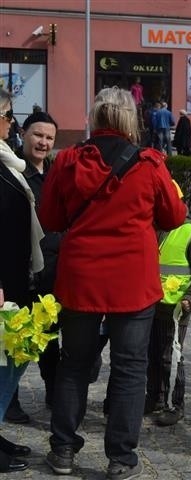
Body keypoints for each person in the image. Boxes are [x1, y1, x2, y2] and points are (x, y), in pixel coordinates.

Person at [39, 87, 187, 478]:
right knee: (129, 369)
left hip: (80, 277)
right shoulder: (149, 163)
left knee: (74, 365)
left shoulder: (68, 160)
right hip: (132, 281)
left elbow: (51, 219)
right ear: (129, 119)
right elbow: (174, 217)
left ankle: (63, 451)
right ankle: (121, 458)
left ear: (96, 116)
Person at [0, 87, 43, 474]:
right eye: (7, 114)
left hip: (16, 276)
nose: (11, 121)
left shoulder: (6, 160)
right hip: (1, 282)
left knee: (11, 360)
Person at [8, 111, 60, 420]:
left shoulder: (56, 173)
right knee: (14, 341)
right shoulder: (11, 171)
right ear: (24, 134)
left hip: (53, 272)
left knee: (50, 340)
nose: (43, 142)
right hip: (20, 270)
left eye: (49, 137)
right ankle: (9, 402)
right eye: (38, 135)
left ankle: (56, 394)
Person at [146, 214, 191, 426]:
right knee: (151, 356)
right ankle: (155, 398)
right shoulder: (148, 227)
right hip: (149, 306)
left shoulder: (189, 233)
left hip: (175, 310)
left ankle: (175, 404)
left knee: (170, 357)